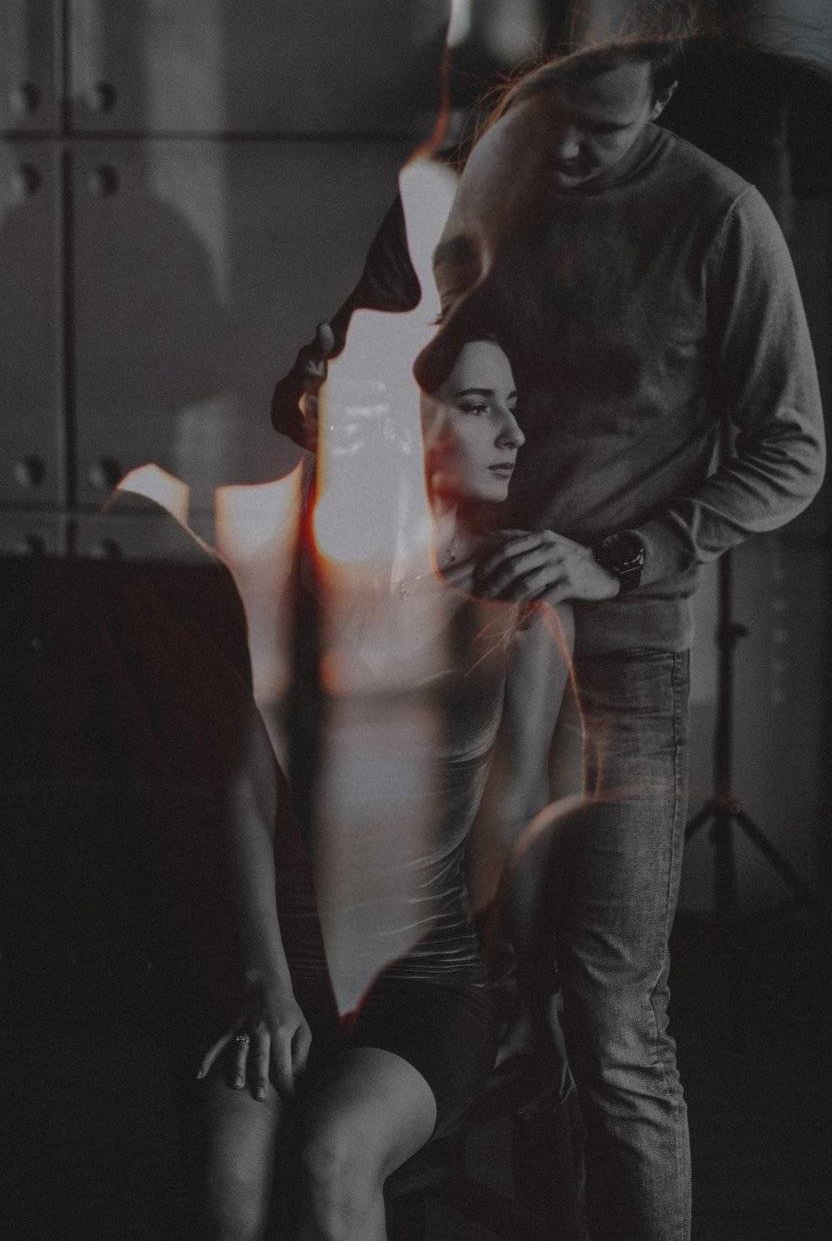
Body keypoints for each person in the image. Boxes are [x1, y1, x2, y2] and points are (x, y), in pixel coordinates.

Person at [274, 30, 826, 1239]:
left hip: (616, 653)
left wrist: (614, 556)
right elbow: (360, 379)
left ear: (662, 98)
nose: (564, 156)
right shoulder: (461, 186)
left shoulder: (720, 217)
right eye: (549, 120)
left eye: (603, 134)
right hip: (444, 646)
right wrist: (318, 388)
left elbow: (793, 450)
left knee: (614, 1023)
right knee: (478, 999)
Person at [194, 331, 580, 1241]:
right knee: (232, 1179)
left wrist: (543, 991)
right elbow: (246, 795)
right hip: (289, 971)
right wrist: (266, 985)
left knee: (333, 1151)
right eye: (480, 406)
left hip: (430, 978)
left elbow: (521, 807)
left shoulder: (525, 597)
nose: (515, 432)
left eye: (513, 404)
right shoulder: (297, 578)